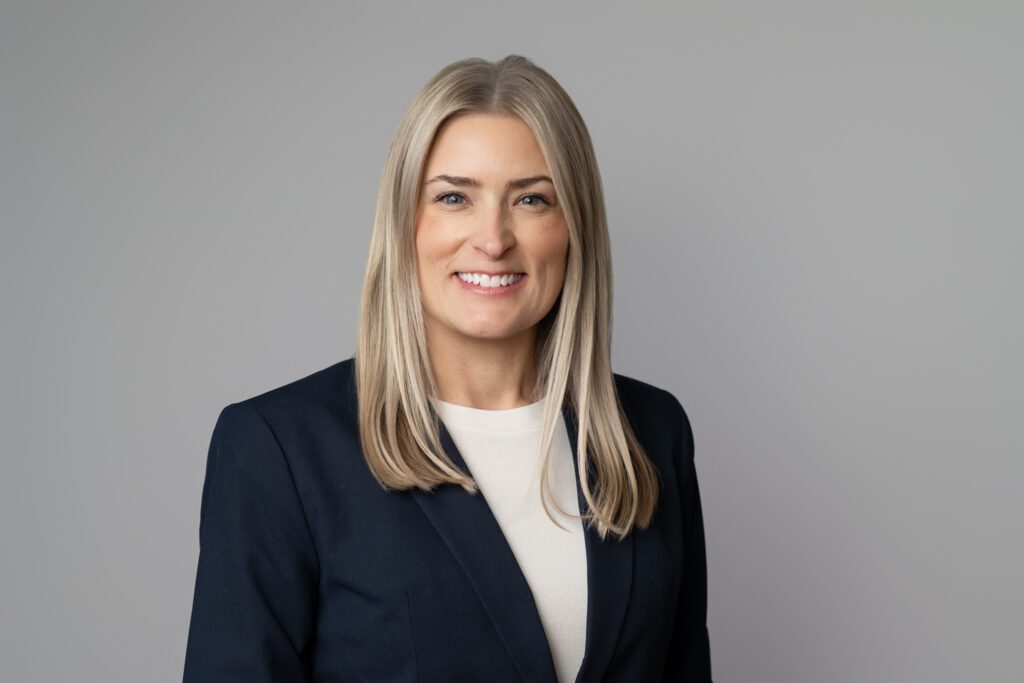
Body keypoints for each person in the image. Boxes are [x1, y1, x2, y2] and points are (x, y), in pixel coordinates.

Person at [182, 54, 712, 682]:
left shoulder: (651, 433)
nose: (493, 238)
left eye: (533, 199)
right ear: (406, 223)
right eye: (455, 197)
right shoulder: (281, 450)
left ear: (575, 228)